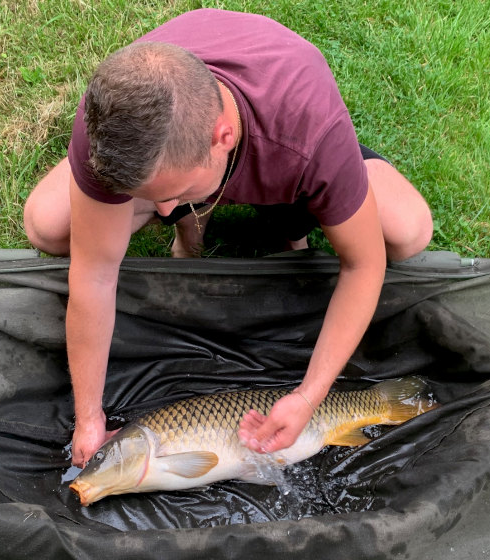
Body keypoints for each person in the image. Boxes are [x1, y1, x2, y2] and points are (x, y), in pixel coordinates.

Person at [23, 9, 433, 468]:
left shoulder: (308, 127)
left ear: (224, 136)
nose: (163, 211)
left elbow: (364, 265)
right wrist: (89, 417)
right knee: (47, 225)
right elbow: (94, 275)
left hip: (286, 140)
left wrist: (308, 398)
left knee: (408, 233)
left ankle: (291, 209)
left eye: (174, 197)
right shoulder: (111, 126)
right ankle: (195, 221)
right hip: (186, 144)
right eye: (153, 198)